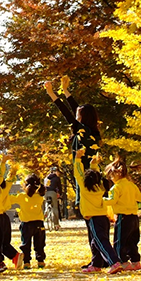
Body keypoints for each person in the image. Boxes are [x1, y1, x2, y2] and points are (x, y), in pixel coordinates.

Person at [44, 76, 102, 213]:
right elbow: (76, 108)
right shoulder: (91, 131)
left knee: (89, 213)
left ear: (82, 117)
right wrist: (65, 90)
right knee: (94, 210)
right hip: (93, 172)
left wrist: (52, 93)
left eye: (78, 114)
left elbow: (65, 112)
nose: (75, 115)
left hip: (85, 174)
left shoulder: (82, 131)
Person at [105, 158, 141, 271]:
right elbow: (140, 197)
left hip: (123, 217)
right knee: (132, 240)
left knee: (120, 241)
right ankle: (135, 261)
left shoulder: (116, 188)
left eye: (111, 176)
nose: (111, 179)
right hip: (134, 218)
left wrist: (100, 201)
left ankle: (122, 261)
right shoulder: (131, 186)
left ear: (117, 173)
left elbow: (112, 201)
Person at [74, 152, 123, 275]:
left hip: (94, 219)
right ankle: (96, 264)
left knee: (101, 241)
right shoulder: (101, 187)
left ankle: (114, 262)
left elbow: (78, 173)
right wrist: (94, 165)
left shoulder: (85, 188)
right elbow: (96, 176)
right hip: (103, 218)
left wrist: (77, 159)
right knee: (95, 242)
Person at [0, 159, 22, 273]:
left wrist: (3, 163)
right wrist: (5, 165)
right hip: (4, 217)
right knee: (3, 242)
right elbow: (5, 177)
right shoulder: (4, 185)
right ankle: (13, 256)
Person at [9, 174, 47, 269]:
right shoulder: (40, 196)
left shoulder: (22, 196)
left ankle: (27, 262)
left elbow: (9, 199)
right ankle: (40, 261)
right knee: (40, 243)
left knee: (26, 243)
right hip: (39, 222)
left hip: (26, 223)